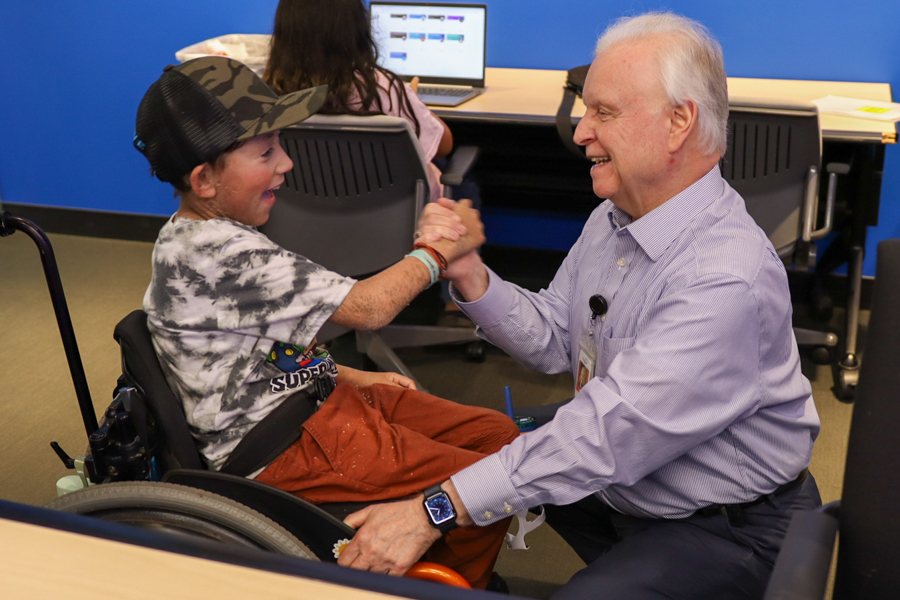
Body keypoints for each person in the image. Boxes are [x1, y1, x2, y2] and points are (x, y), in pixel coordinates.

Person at [336, 12, 822, 599]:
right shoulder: (615, 218)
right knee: (473, 448)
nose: (581, 131)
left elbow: (602, 437)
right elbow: (555, 341)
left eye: (605, 113)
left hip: (724, 524)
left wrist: (432, 510)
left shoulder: (723, 279)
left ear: (679, 122)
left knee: (478, 504)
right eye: (587, 109)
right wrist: (467, 271)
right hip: (632, 484)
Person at [132, 56, 518, 589]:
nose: (286, 163)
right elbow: (368, 309)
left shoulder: (213, 235)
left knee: (498, 437)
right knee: (487, 483)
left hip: (313, 404)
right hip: (284, 446)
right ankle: (448, 582)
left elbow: (266, 353)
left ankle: (433, 551)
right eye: (266, 152)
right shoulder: (221, 251)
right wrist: (435, 252)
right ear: (204, 179)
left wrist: (354, 377)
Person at [264, 0, 453, 202]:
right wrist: (412, 100)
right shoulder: (383, 89)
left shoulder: (270, 91)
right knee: (465, 185)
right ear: (357, 29)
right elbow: (444, 146)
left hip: (301, 215)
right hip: (389, 214)